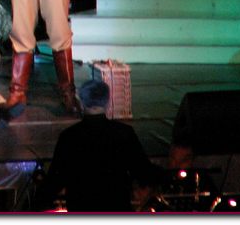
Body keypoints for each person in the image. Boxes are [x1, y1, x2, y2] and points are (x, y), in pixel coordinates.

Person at [40, 80, 163, 212]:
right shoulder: (124, 133)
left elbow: (55, 181)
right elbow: (143, 171)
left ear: (82, 102)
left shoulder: (69, 137)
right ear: (107, 102)